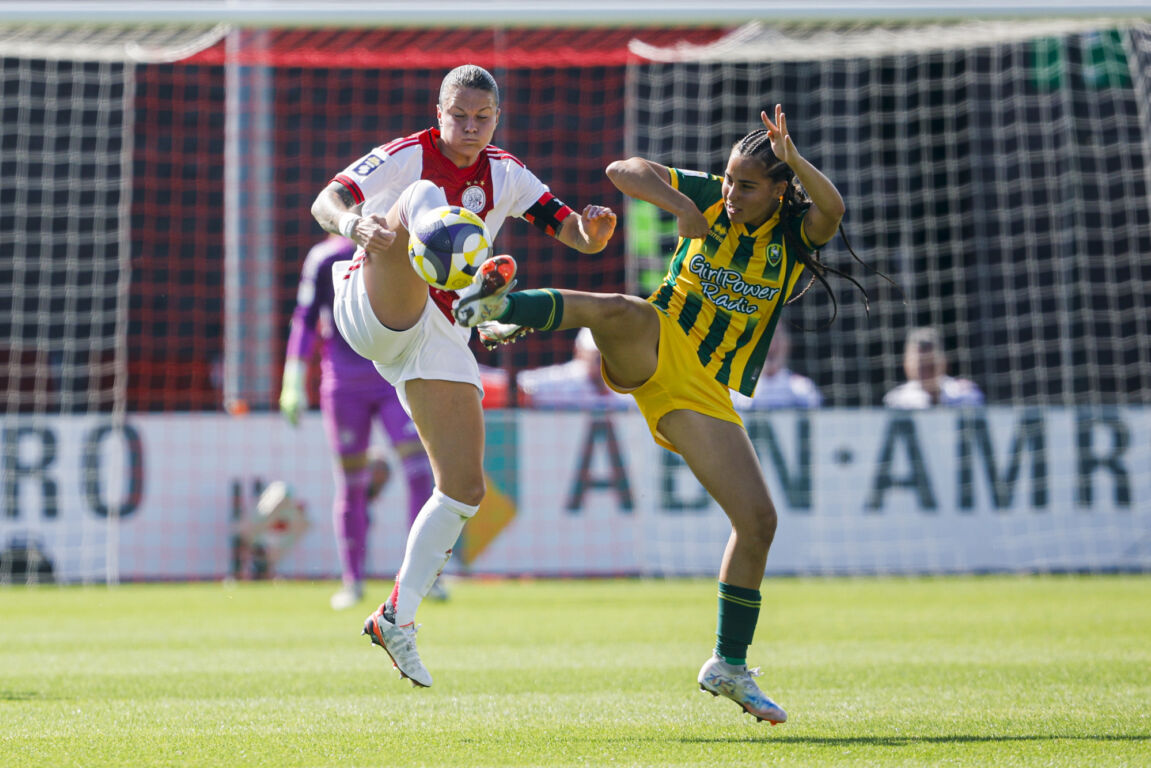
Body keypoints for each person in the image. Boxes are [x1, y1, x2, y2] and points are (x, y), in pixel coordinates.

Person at [454, 104, 870, 724]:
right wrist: (681, 206)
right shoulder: (710, 200)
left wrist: (794, 158)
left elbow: (832, 211)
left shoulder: (793, 230)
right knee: (623, 311)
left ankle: (728, 665)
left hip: (700, 391)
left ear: (781, 189)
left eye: (747, 184)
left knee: (757, 522)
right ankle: (499, 308)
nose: (730, 192)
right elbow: (623, 169)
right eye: (727, 179)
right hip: (657, 337)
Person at [311, 64, 616, 688]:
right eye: (459, 116)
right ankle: (479, 288)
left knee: (465, 487)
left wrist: (594, 235)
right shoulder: (405, 155)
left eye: (482, 118)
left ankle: (397, 616)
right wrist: (354, 224)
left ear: (496, 118)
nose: (470, 128)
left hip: (439, 334)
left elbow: (572, 233)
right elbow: (326, 200)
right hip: (374, 305)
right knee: (423, 197)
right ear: (439, 112)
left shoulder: (505, 170)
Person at [279, 234, 437, 611]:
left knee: (421, 472)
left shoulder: (404, 246)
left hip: (395, 376)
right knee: (351, 483)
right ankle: (353, 581)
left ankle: (423, 579)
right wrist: (293, 377)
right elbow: (304, 317)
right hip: (343, 384)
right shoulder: (323, 258)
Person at [517, 327, 631, 410]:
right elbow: (523, 384)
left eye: (606, 355)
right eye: (596, 355)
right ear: (579, 352)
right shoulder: (561, 379)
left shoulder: (624, 385)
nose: (601, 360)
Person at [883, 326, 984, 408]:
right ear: (906, 365)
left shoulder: (964, 393)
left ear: (944, 361)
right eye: (920, 367)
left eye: (931, 366)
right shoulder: (897, 401)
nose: (926, 373)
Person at [729, 325, 822, 410]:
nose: (771, 345)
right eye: (764, 337)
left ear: (787, 343)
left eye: (777, 336)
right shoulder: (734, 392)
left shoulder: (804, 389)